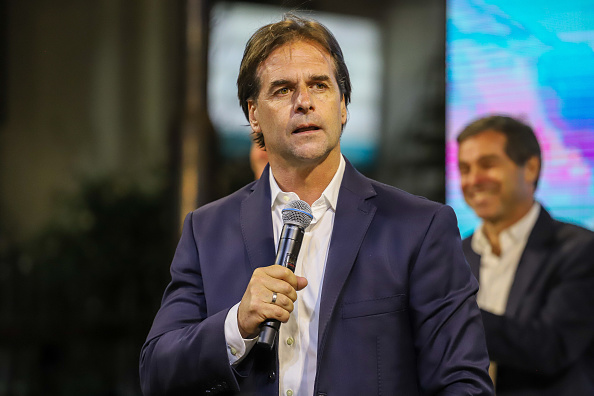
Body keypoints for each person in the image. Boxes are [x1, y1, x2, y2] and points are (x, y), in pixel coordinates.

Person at [140, 14, 493, 395]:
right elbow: (157, 371)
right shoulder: (206, 230)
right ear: (253, 114)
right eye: (282, 90)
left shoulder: (419, 227)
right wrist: (236, 324)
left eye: (320, 86)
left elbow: (463, 382)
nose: (304, 102)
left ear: (342, 106)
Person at [457, 115, 594, 395]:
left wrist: (454, 315)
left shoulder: (580, 249)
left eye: (488, 165)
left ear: (530, 167)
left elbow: (552, 346)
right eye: (464, 168)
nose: (474, 180)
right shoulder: (455, 254)